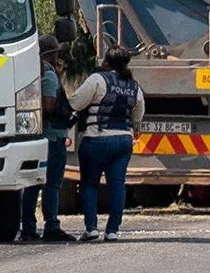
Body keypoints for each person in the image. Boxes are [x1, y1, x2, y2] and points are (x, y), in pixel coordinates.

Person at [70, 46, 145, 242]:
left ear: (105, 62)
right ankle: (112, 231)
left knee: (89, 184)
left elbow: (76, 103)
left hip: (96, 138)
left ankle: (91, 228)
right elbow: (138, 115)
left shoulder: (97, 79)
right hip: (123, 140)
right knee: (117, 185)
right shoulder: (134, 86)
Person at [20, 35, 76, 243]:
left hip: (38, 136)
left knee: (32, 184)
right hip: (53, 138)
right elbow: (49, 105)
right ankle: (51, 225)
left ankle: (28, 227)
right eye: (56, 52)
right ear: (50, 53)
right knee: (52, 184)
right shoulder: (49, 75)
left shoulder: (32, 72)